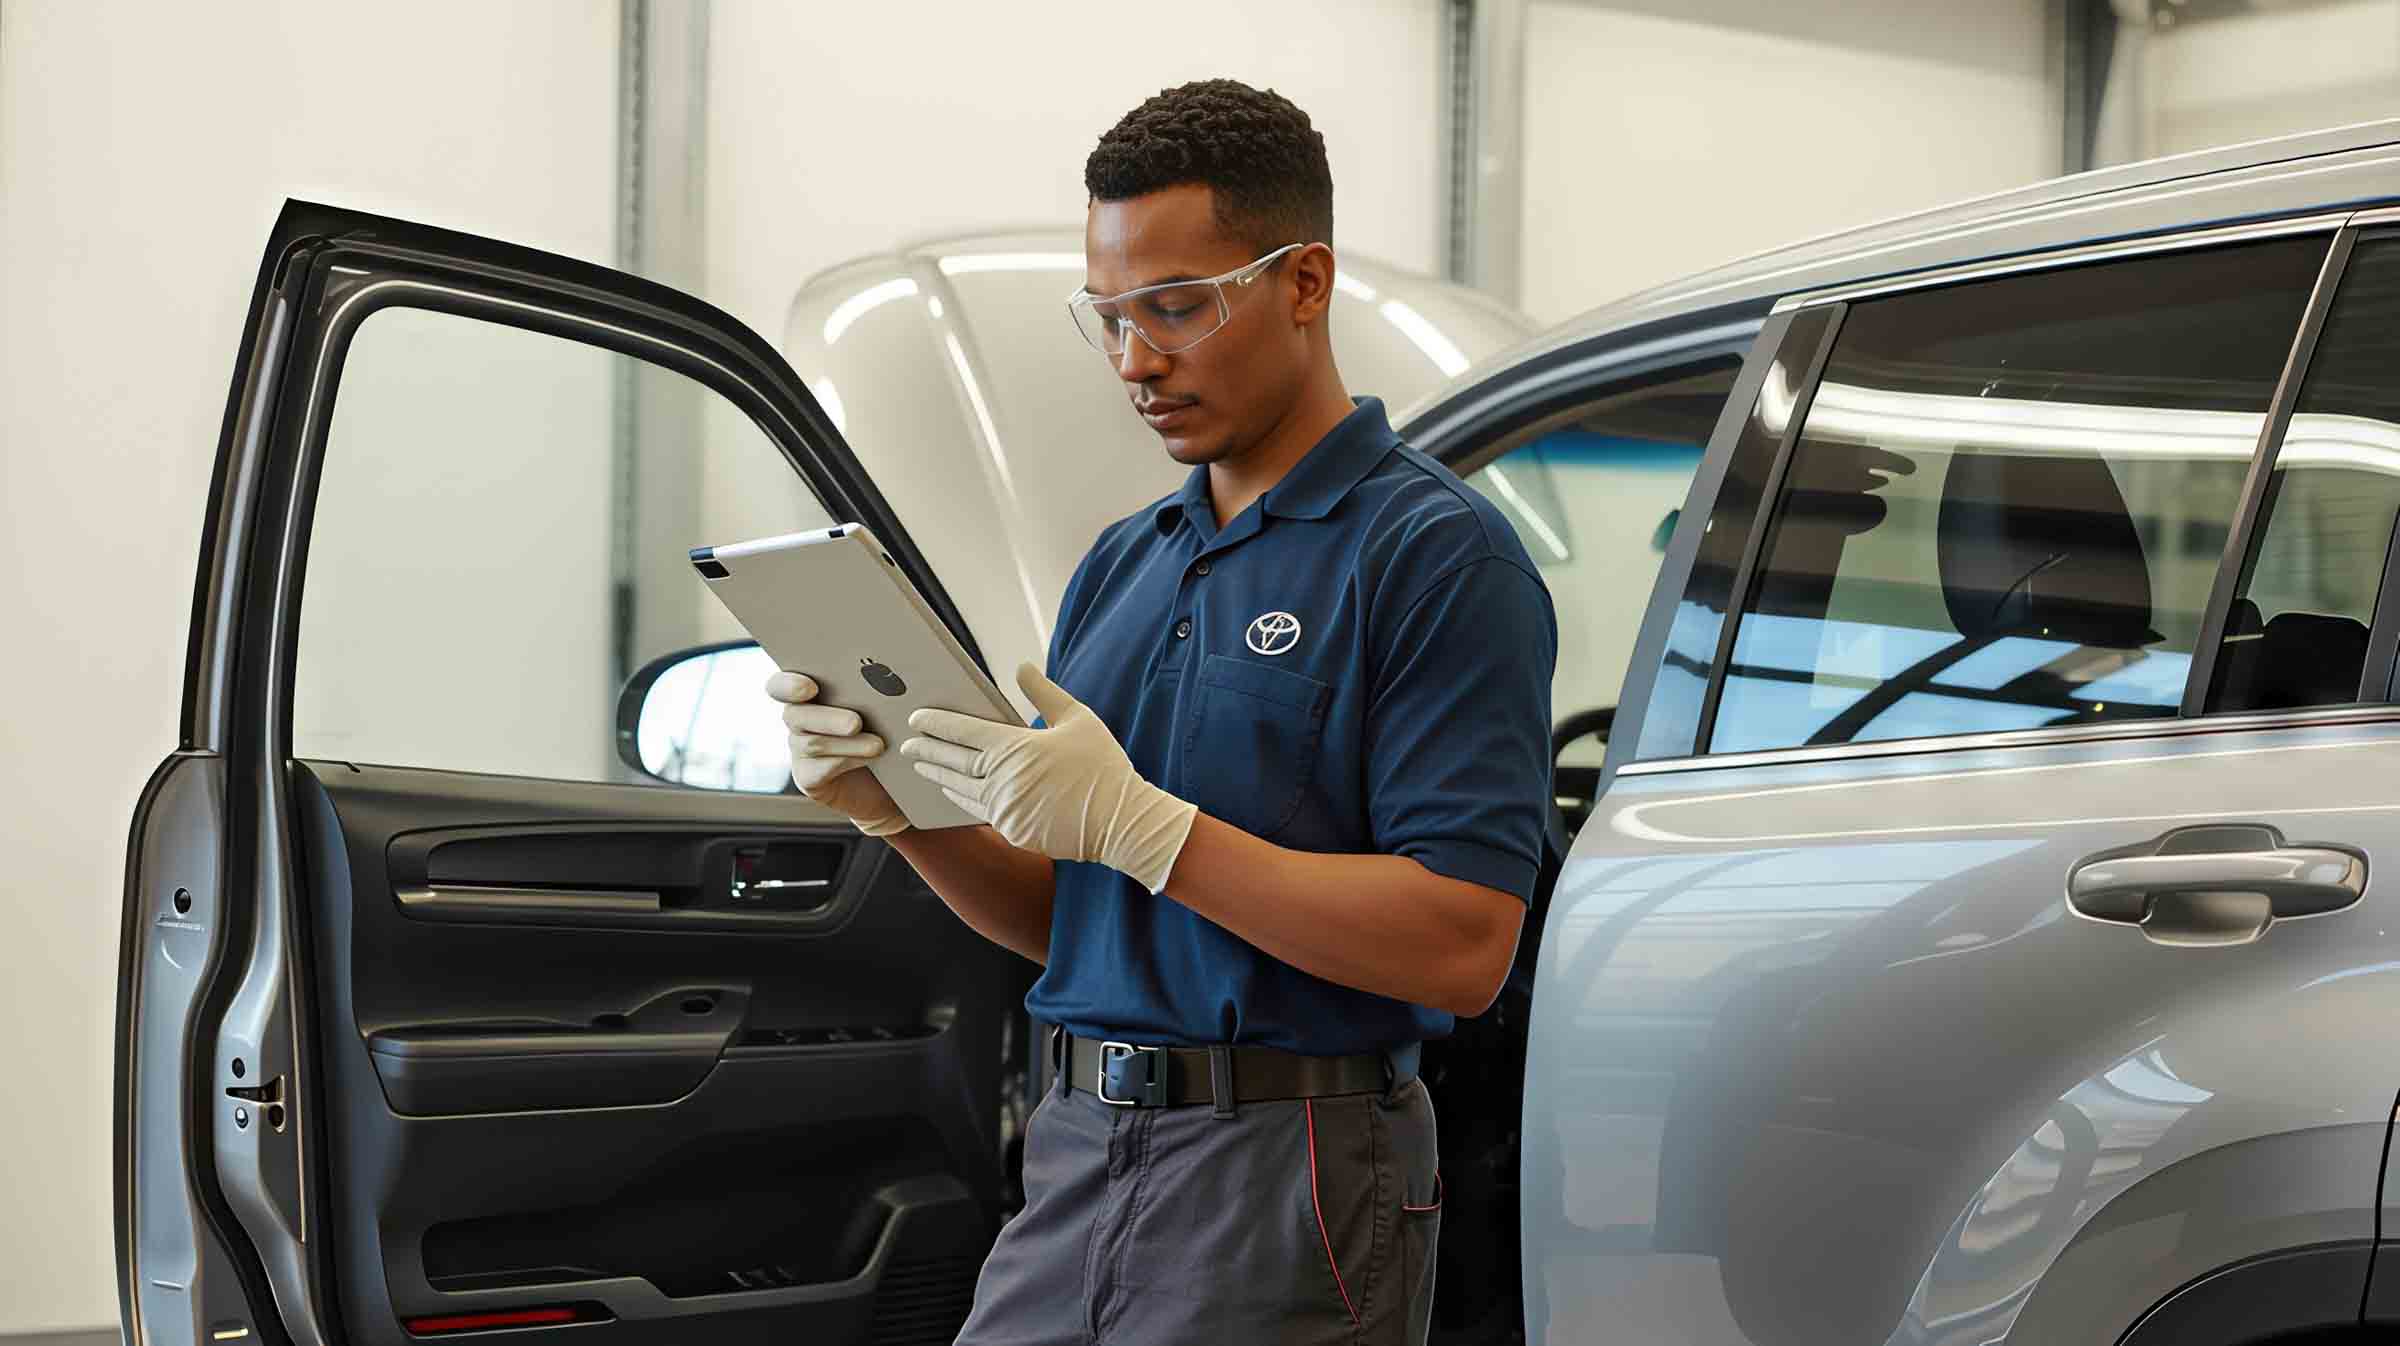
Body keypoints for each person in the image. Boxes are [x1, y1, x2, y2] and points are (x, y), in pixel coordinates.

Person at [765, 78, 1556, 1346]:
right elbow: (1069, 916)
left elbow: (1461, 945)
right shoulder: (1124, 564)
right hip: (1079, 1153)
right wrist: (901, 817)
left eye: (1179, 308)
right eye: (1112, 316)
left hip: (1289, 1167)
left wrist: (1150, 828)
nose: (1137, 359)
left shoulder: (1434, 557)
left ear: (1305, 282)